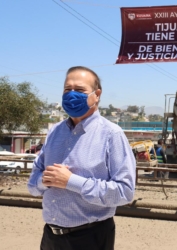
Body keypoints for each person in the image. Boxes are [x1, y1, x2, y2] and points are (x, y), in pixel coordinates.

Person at [27, 66, 136, 250]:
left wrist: (71, 181)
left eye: (79, 90)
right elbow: (32, 186)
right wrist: (45, 181)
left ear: (97, 94)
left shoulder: (111, 135)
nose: (71, 95)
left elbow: (125, 192)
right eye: (67, 89)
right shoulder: (55, 132)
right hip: (51, 237)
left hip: (90, 237)